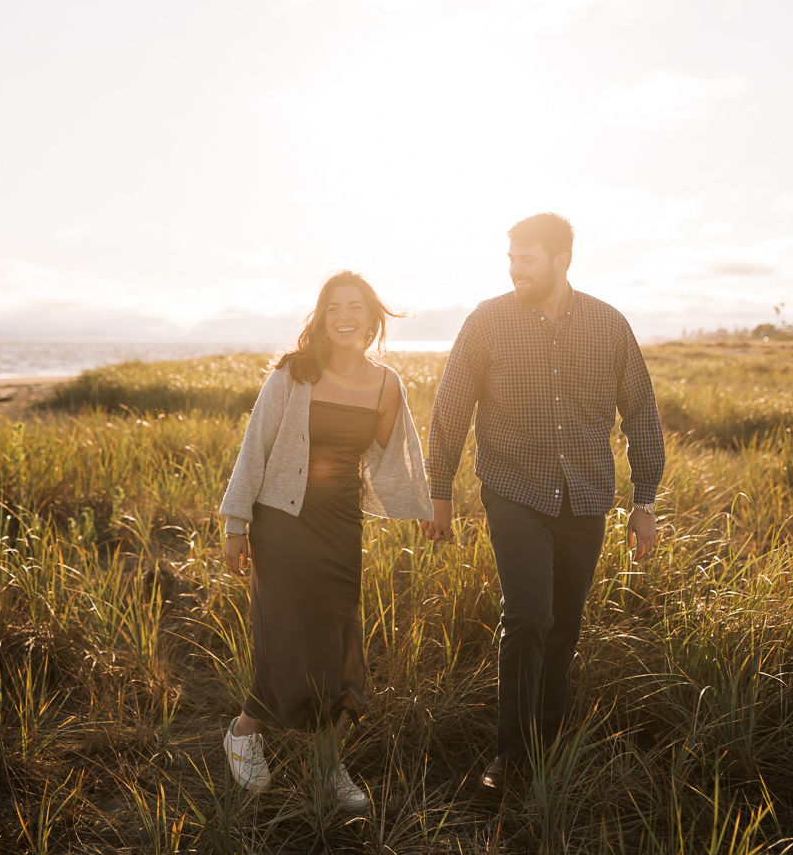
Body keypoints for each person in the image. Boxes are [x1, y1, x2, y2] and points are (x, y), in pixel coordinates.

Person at [421, 213, 664, 801]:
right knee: (528, 616)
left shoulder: (609, 325)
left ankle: (546, 745)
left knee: (563, 626)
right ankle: (511, 755)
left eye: (525, 259)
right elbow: (451, 407)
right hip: (515, 491)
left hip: (586, 496)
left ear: (561, 261)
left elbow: (640, 411)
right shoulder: (487, 321)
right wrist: (440, 493)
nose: (514, 270)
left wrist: (644, 500)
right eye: (511, 259)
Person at [219, 271, 432, 811]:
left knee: (337, 644)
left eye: (355, 307)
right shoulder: (293, 374)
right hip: (281, 523)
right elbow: (254, 448)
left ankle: (328, 769)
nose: (344, 316)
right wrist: (236, 523)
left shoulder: (386, 385)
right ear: (321, 316)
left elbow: (396, 455)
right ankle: (244, 732)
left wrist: (426, 508)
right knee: (288, 638)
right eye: (334, 307)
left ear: (371, 317)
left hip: (340, 526)